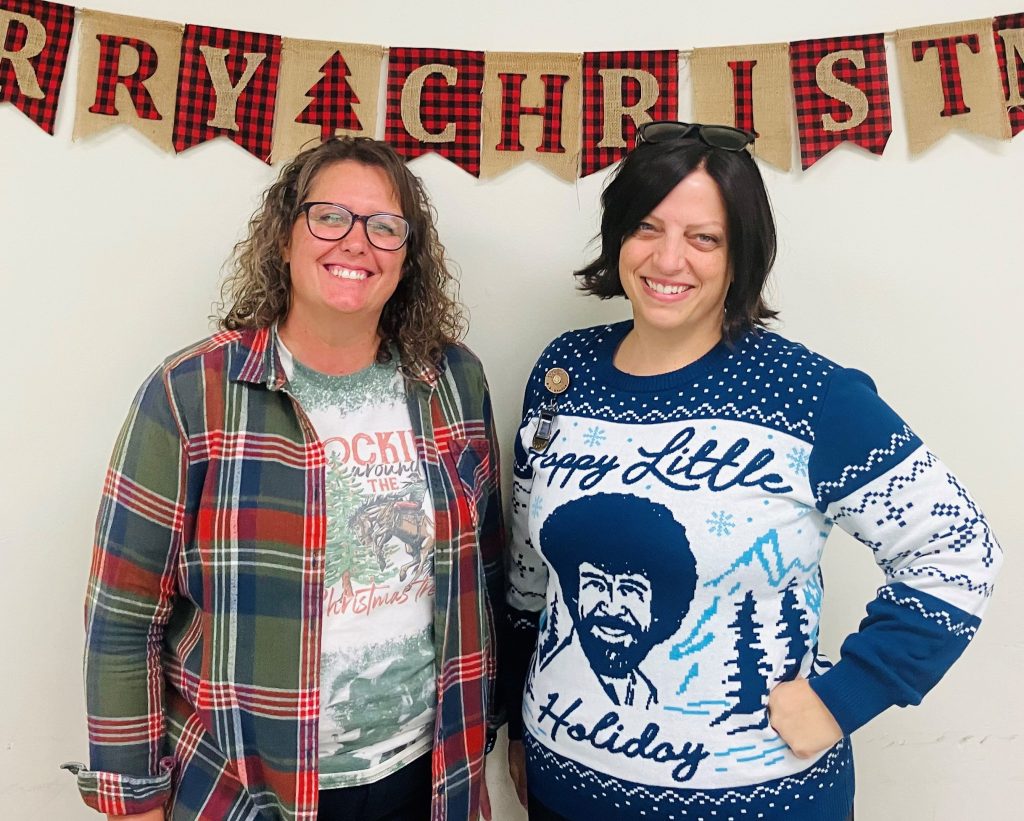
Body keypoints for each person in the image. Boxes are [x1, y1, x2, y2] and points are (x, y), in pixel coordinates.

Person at [503, 121, 1002, 821]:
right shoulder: (565, 373)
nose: (668, 258)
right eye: (647, 227)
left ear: (741, 252)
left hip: (760, 803)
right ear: (618, 238)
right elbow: (529, 568)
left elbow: (959, 549)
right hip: (566, 790)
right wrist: (517, 719)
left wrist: (845, 694)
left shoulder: (810, 396)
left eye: (703, 237)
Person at [65, 137, 505, 821]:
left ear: (407, 258)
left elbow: (487, 567)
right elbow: (122, 618)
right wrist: (134, 802)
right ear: (284, 236)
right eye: (330, 216)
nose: (356, 242)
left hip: (428, 776)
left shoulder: (453, 380)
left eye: (385, 227)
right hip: (246, 791)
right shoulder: (193, 393)